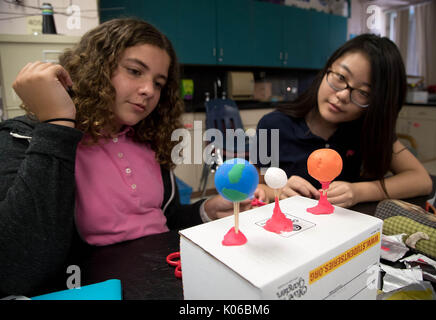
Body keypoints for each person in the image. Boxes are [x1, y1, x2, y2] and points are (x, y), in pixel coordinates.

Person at [0, 18, 251, 296]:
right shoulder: (29, 138)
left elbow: (161, 221)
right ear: (96, 69)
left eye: (159, 83)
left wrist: (204, 211)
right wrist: (57, 124)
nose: (149, 90)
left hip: (163, 278)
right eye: (134, 71)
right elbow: (15, 267)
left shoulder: (147, 137)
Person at [256, 34, 432, 208]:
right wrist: (279, 191)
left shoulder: (367, 130)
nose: (342, 95)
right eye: (340, 77)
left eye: (363, 93)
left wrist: (359, 191)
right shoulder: (273, 126)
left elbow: (421, 180)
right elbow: (257, 186)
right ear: (327, 70)